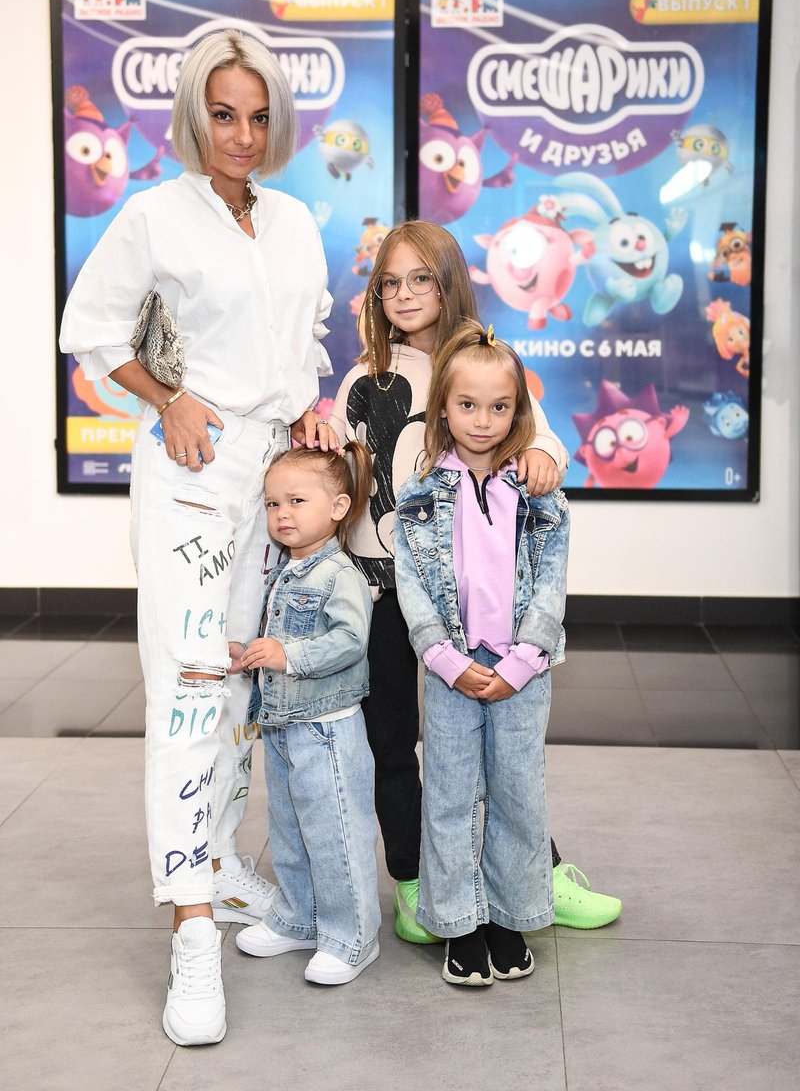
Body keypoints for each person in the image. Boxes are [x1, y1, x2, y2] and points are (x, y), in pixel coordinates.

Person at [59, 29, 338, 1045]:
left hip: (274, 478)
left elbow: (304, 341)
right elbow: (90, 332)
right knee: (186, 688)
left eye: (259, 116)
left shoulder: (296, 220)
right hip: (189, 468)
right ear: (193, 115)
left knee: (239, 687)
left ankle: (217, 864)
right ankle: (189, 934)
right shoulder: (152, 215)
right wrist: (168, 397)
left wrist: (307, 410)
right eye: (223, 114)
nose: (242, 134)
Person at [328, 221, 621, 944]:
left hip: (470, 596)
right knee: (392, 739)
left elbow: (539, 434)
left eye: (420, 279)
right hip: (381, 585)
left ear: (451, 281)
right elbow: (345, 474)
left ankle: (536, 876)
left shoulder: (480, 358)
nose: (403, 294)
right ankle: (414, 879)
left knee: (500, 754)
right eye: (389, 282)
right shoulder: (364, 378)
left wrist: (544, 454)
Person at [393, 321, 568, 985]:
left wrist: (522, 662)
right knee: (450, 794)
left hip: (523, 671)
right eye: (468, 405)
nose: (483, 420)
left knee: (518, 793)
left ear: (518, 412)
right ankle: (459, 923)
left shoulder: (539, 494)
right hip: (452, 670)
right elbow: (412, 586)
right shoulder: (418, 496)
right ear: (443, 405)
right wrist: (445, 660)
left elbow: (551, 584)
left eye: (500, 407)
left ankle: (509, 915)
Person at [228, 443, 381, 985]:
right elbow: (281, 634)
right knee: (289, 829)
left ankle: (351, 936)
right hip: (283, 724)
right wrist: (254, 652)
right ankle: (299, 917)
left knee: (335, 832)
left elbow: (350, 641)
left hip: (327, 728)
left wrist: (287, 655)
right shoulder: (286, 572)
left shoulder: (338, 574)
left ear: (338, 507)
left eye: (296, 501)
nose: (282, 514)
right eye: (273, 504)